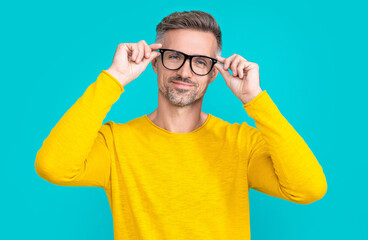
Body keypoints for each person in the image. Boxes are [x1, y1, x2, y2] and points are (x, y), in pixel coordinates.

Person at [35, 10, 327, 240]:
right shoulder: (115, 143)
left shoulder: (241, 143)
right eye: (174, 57)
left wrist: (255, 98)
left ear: (213, 73)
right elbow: (53, 167)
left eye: (200, 62)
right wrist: (114, 79)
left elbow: (308, 188)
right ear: (155, 62)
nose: (185, 71)